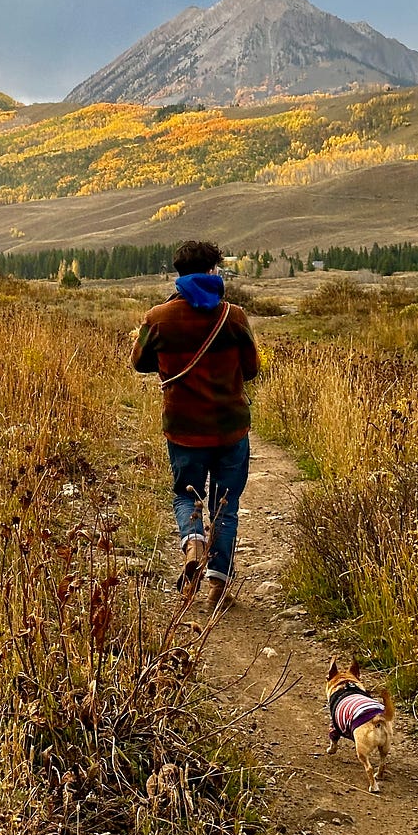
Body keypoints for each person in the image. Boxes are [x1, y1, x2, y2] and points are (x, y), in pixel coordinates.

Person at [131, 240, 260, 612]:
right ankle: (218, 583)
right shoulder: (233, 316)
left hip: (183, 426)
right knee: (226, 503)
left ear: (179, 273)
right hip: (230, 427)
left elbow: (139, 363)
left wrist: (173, 365)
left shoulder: (157, 318)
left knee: (187, 494)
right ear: (212, 271)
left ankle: (193, 542)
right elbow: (251, 369)